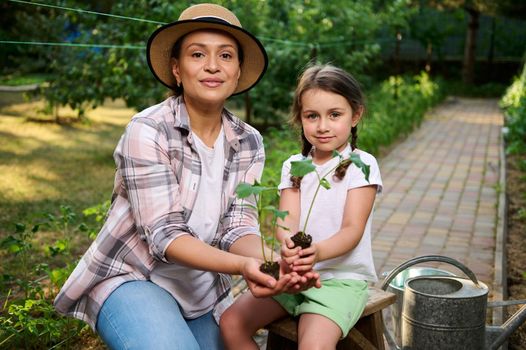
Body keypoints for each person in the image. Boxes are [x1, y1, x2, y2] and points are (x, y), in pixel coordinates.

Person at [54, 4, 317, 350]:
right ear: (177, 69)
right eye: (198, 54)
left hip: (200, 289)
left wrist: (273, 262)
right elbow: (165, 235)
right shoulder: (148, 130)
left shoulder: (248, 141)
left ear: (237, 72)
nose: (212, 66)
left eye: (226, 55)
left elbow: (237, 226)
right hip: (134, 277)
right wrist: (242, 265)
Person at [220, 64, 383, 350]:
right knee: (231, 322)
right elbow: (288, 221)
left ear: (355, 115)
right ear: (300, 118)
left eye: (335, 115)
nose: (322, 126)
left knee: (313, 346)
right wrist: (287, 244)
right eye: (312, 116)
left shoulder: (361, 165)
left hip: (339, 282)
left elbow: (352, 230)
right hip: (291, 274)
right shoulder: (295, 166)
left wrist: (317, 252)